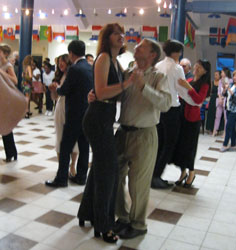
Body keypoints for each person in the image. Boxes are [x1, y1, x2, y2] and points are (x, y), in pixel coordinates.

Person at [77, 23, 133, 244]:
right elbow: (102, 92)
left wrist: (103, 92)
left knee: (102, 169)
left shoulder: (114, 61)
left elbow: (106, 93)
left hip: (104, 118)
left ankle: (86, 213)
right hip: (97, 120)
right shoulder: (103, 58)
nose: (121, 36)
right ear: (107, 38)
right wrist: (127, 83)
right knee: (108, 173)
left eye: (122, 32)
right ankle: (104, 225)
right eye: (116, 33)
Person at [114, 39, 172, 239]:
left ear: (152, 55)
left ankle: (138, 224)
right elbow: (121, 97)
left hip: (145, 134)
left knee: (138, 183)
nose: (135, 48)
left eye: (141, 46)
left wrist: (143, 87)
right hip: (122, 132)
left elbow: (165, 103)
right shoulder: (128, 72)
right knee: (117, 177)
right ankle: (122, 217)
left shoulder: (159, 76)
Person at [151, 39, 199, 189]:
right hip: (171, 109)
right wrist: (196, 101)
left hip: (158, 109)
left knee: (158, 143)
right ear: (177, 52)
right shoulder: (176, 68)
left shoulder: (158, 65)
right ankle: (156, 176)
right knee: (169, 144)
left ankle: (152, 174)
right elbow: (183, 91)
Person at [45, 40, 93, 187]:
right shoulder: (91, 67)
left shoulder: (74, 69)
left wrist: (56, 88)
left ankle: (61, 179)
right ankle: (81, 177)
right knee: (84, 147)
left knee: (65, 147)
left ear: (71, 53)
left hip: (73, 115)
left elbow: (64, 90)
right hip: (87, 113)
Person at [172, 59, 211, 188]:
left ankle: (191, 172)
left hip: (192, 118)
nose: (196, 68)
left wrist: (188, 88)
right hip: (181, 114)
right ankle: (183, 172)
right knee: (181, 145)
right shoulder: (189, 80)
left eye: (199, 67)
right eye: (196, 65)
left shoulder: (204, 84)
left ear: (205, 71)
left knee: (190, 146)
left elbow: (199, 99)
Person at [50, 54, 78, 177]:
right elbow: (55, 98)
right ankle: (62, 167)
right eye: (59, 63)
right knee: (60, 137)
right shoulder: (59, 76)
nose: (60, 65)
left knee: (74, 139)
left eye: (63, 62)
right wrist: (53, 90)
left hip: (72, 108)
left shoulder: (74, 76)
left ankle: (72, 165)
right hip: (60, 108)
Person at [220, 69, 236, 152]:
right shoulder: (231, 84)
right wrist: (224, 89)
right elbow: (225, 94)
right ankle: (233, 145)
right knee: (232, 127)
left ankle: (225, 145)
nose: (234, 77)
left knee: (228, 127)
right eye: (234, 75)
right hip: (229, 108)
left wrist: (229, 90)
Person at [0, 44, 18, 162]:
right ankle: (11, 152)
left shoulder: (8, 66)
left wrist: (3, 73)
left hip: (4, 100)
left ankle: (11, 153)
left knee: (5, 128)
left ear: (5, 54)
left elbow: (15, 80)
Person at [212, 67, 232, 136]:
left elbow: (228, 91)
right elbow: (218, 91)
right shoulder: (220, 81)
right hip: (219, 99)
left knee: (226, 117)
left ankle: (225, 132)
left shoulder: (230, 80)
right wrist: (220, 98)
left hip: (227, 100)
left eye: (222, 72)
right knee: (217, 116)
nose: (221, 73)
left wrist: (223, 96)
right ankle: (215, 130)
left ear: (225, 72)